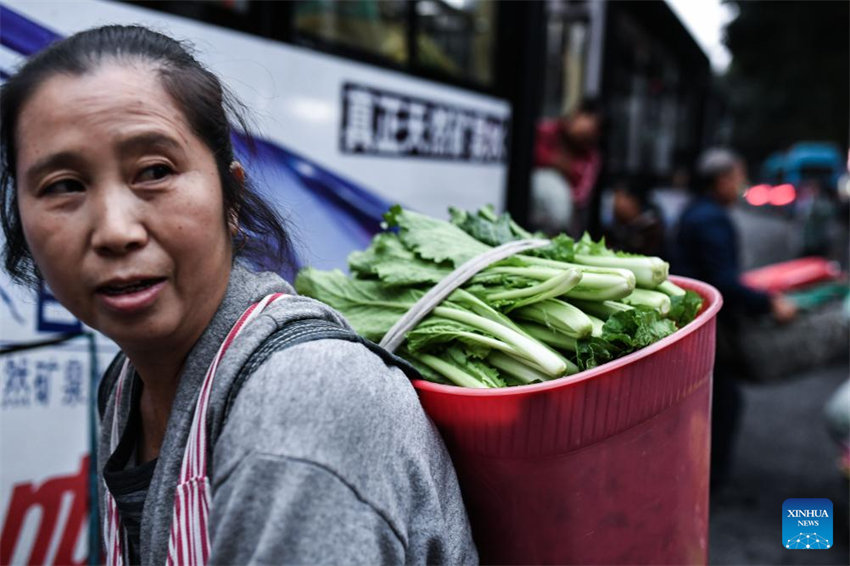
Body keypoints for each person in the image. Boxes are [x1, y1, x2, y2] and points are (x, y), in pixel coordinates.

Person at [0, 26, 477, 565]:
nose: (114, 230)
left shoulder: (303, 406)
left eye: (154, 172)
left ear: (232, 198)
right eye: (64, 186)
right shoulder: (126, 387)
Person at [674, 148, 797, 490]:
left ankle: (703, 475)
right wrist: (768, 304)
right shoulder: (711, 218)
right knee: (723, 401)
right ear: (721, 180)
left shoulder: (696, 212)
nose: (741, 184)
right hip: (704, 319)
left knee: (714, 398)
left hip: (693, 317)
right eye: (737, 176)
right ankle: (708, 481)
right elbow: (722, 281)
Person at [534, 99, 603, 235]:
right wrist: (554, 162)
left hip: (559, 225)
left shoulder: (590, 158)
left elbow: (581, 196)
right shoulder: (546, 130)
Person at [603, 181, 665, 257]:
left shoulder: (650, 228)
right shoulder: (616, 225)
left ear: (633, 201)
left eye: (619, 198)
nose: (614, 205)